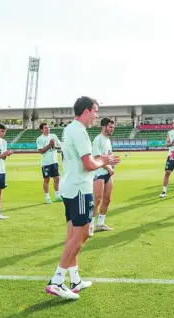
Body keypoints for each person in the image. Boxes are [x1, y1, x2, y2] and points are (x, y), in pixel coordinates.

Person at [45, 96, 119, 300]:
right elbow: (88, 165)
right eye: (95, 111)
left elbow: (83, 161)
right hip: (79, 189)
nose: (96, 116)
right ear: (86, 111)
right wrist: (103, 161)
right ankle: (56, 281)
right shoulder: (80, 132)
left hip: (70, 188)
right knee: (80, 237)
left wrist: (103, 160)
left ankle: (75, 279)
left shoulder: (70, 129)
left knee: (73, 237)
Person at [90, 117, 116, 236]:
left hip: (107, 174)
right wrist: (109, 168)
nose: (112, 129)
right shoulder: (97, 140)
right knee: (97, 200)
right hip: (99, 173)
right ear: (103, 127)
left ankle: (100, 224)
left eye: (113, 127)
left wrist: (112, 164)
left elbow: (108, 156)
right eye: (110, 127)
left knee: (107, 199)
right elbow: (96, 157)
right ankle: (89, 226)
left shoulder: (108, 140)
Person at [36, 122, 62, 204]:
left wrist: (54, 146)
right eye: (45, 128)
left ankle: (57, 195)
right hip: (46, 163)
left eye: (48, 127)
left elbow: (60, 147)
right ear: (41, 130)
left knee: (57, 178)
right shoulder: (39, 139)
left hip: (54, 161)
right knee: (47, 179)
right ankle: (47, 197)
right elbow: (41, 151)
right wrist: (50, 145)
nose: (48, 129)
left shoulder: (53, 136)